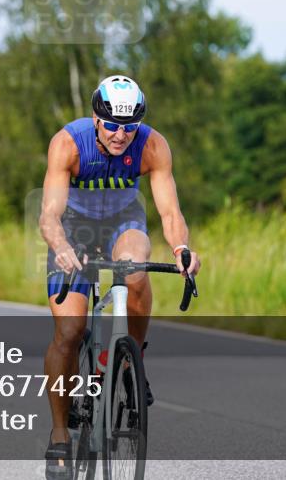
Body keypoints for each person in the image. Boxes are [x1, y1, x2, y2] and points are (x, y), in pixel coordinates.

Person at [38, 75, 201, 477]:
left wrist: (181, 249)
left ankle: (131, 362)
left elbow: (169, 213)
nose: (119, 135)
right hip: (73, 228)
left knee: (135, 268)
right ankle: (60, 435)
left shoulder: (153, 145)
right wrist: (61, 248)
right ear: (97, 117)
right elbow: (49, 214)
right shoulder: (68, 143)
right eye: (111, 125)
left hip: (122, 221)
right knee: (70, 332)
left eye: (129, 127)